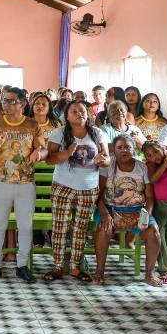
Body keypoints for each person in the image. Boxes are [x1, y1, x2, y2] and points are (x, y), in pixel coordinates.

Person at [0, 87, 46, 284]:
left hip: (26, 183)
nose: (7, 105)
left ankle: (22, 265)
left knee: (25, 226)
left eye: (11, 101)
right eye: (5, 101)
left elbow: (42, 149)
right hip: (1, 182)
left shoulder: (33, 125)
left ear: (23, 104)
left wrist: (39, 153)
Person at [44, 100, 110, 282]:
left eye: (82, 110)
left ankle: (74, 267)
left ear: (88, 114)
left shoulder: (97, 133)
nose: (79, 113)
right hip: (63, 186)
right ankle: (57, 266)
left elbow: (107, 160)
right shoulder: (59, 133)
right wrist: (66, 154)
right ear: (67, 115)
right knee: (60, 227)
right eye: (74, 111)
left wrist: (101, 160)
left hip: (88, 189)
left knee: (80, 228)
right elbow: (49, 159)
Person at [93, 134, 162, 286]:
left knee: (153, 231)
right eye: (120, 147)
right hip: (110, 208)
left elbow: (149, 197)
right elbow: (98, 195)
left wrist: (147, 215)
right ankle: (99, 271)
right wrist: (105, 214)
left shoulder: (142, 167)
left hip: (137, 210)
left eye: (128, 147)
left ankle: (149, 273)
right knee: (104, 228)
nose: (124, 150)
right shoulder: (108, 166)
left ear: (134, 149)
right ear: (114, 151)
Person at [143, 141, 167, 283]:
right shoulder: (152, 166)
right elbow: (153, 180)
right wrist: (164, 165)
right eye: (149, 155)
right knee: (162, 237)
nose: (154, 157)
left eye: (155, 152)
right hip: (158, 206)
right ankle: (164, 269)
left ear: (162, 149)